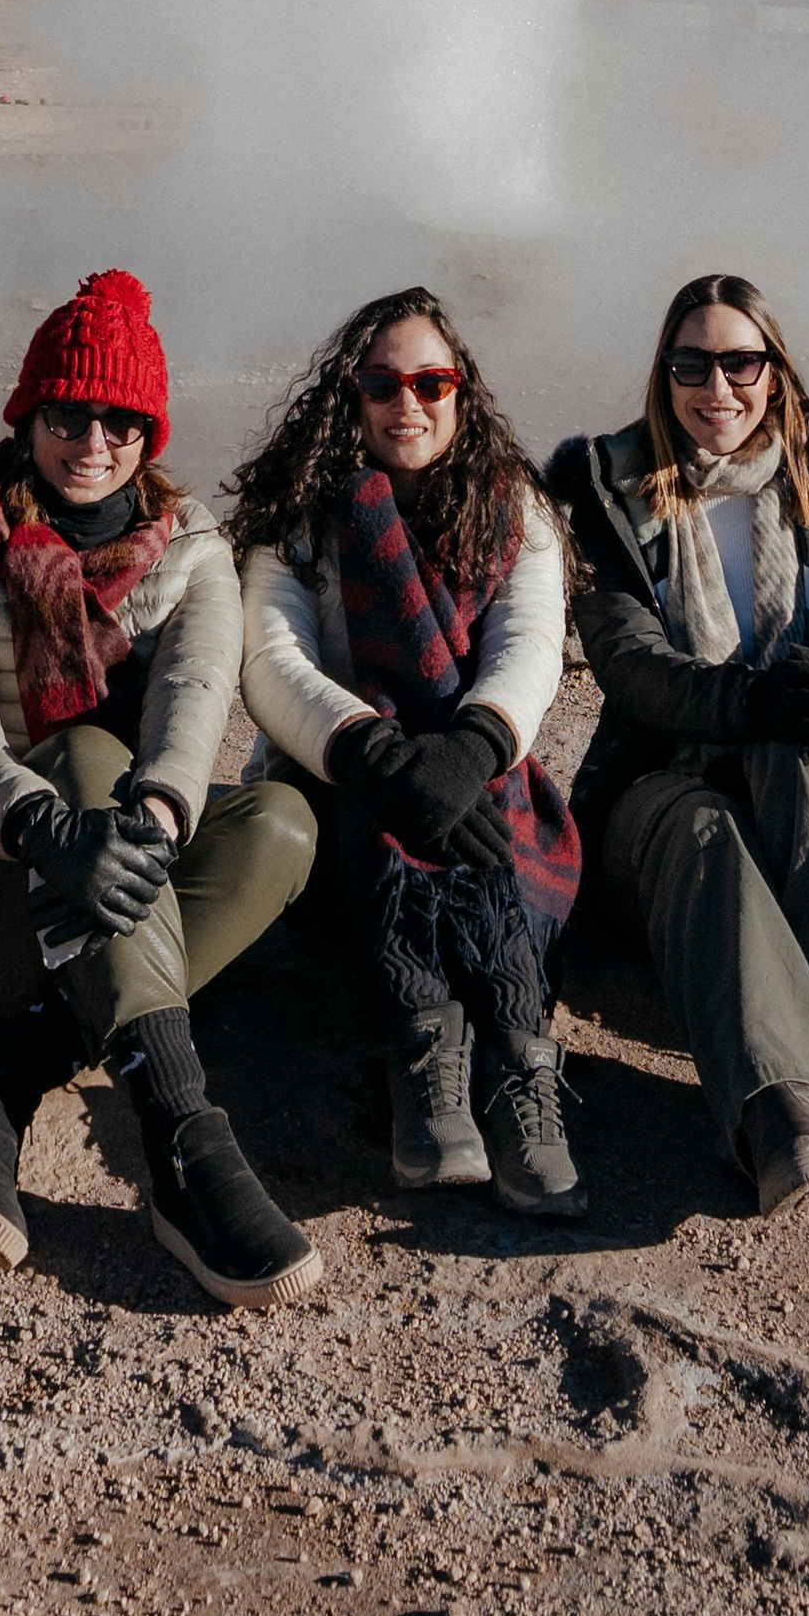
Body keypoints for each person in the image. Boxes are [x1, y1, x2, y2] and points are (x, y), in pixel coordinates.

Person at [0, 270, 320, 1309]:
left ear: (149, 432)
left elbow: (194, 699)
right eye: (69, 414)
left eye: (121, 419)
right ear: (29, 413)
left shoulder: (193, 549)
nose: (94, 440)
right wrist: (44, 827)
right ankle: (181, 1135)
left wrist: (156, 820)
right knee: (83, 758)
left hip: (116, 875)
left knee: (281, 823)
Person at [545, 274, 809, 1215]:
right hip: (659, 790)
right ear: (663, 374)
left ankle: (804, 1035)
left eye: (741, 362)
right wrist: (758, 699)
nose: (718, 387)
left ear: (775, 371)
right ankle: (783, 1117)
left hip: (805, 787)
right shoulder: (612, 497)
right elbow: (634, 666)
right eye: (692, 364)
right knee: (706, 821)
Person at [233, 288, 583, 1219]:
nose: (407, 403)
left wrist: (468, 750)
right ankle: (423, 1044)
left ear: (461, 389)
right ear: (349, 394)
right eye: (382, 383)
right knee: (375, 799)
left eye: (431, 381)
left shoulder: (516, 509)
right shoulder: (300, 515)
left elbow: (529, 645)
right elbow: (273, 661)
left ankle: (515, 1057)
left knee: (486, 797)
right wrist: (380, 756)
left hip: (479, 774)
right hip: (340, 784)